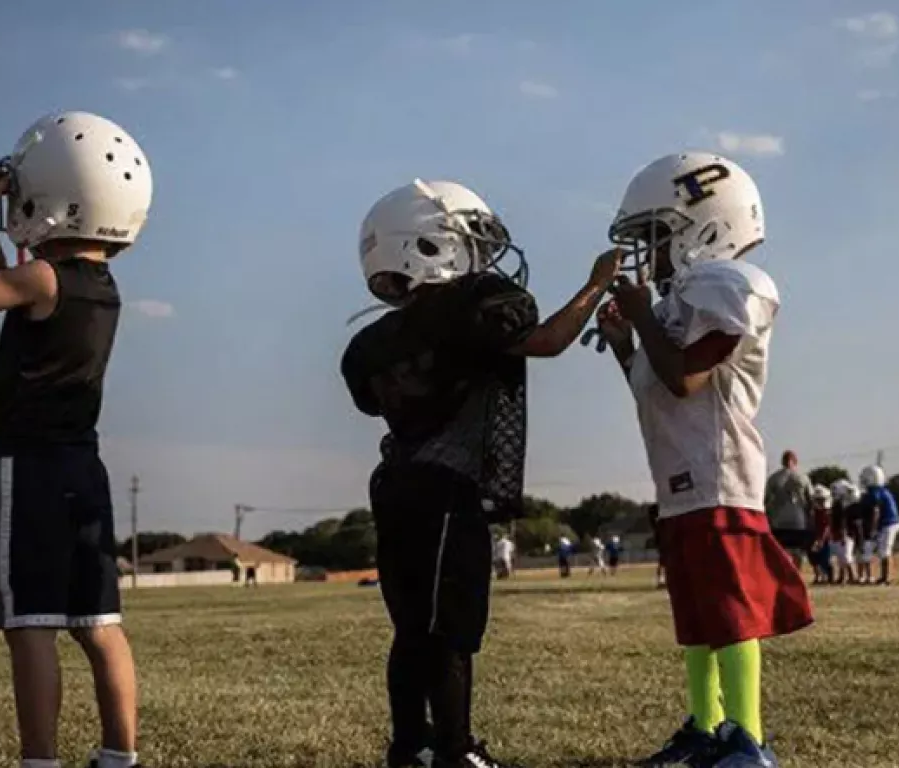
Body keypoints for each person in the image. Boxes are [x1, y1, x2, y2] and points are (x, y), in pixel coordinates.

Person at [341, 178, 619, 768]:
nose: (484, 255)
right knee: (451, 634)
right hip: (447, 490)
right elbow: (544, 342)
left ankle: (408, 746)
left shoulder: (371, 341)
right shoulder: (471, 308)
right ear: (429, 245)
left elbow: (378, 395)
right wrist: (595, 286)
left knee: (412, 629)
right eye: (470, 239)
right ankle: (454, 750)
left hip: (397, 487)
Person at [0, 112, 152, 768]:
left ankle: (40, 761)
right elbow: (5, 288)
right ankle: (119, 758)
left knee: (30, 627)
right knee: (99, 626)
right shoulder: (97, 286)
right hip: (84, 469)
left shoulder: (44, 279)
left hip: (29, 469)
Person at [594, 151, 813, 767]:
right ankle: (706, 725)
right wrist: (624, 342)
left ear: (704, 224)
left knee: (728, 612)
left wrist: (639, 316)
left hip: (720, 475)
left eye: (656, 236)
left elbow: (687, 377)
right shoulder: (674, 305)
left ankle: (749, 738)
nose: (648, 253)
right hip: (681, 479)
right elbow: (659, 383)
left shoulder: (730, 285)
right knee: (694, 616)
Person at [765, 450, 812, 570]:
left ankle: (784, 575)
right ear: (795, 461)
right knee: (798, 552)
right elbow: (810, 500)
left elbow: (766, 500)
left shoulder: (773, 478)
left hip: (778, 521)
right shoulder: (803, 478)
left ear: (782, 461)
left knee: (781, 550)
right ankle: (797, 575)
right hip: (799, 521)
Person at [859, 466, 899, 586]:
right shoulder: (882, 490)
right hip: (889, 523)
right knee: (883, 551)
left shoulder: (874, 492)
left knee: (884, 551)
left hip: (888, 523)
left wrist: (873, 528)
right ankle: (884, 577)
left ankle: (886, 578)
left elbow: (875, 512)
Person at [807, 485, 835, 585]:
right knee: (814, 559)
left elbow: (826, 527)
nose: (820, 502)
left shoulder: (826, 512)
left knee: (825, 559)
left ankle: (829, 578)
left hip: (824, 539)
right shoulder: (813, 512)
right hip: (814, 537)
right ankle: (819, 577)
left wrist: (821, 540)